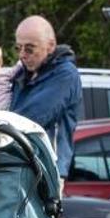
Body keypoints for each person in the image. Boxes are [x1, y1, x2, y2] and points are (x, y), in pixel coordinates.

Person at [9, 15, 82, 175]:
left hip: (48, 169)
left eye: (29, 48)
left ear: (50, 46)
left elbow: (30, 119)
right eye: (18, 48)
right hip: (22, 165)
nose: (22, 55)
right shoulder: (23, 73)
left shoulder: (65, 74)